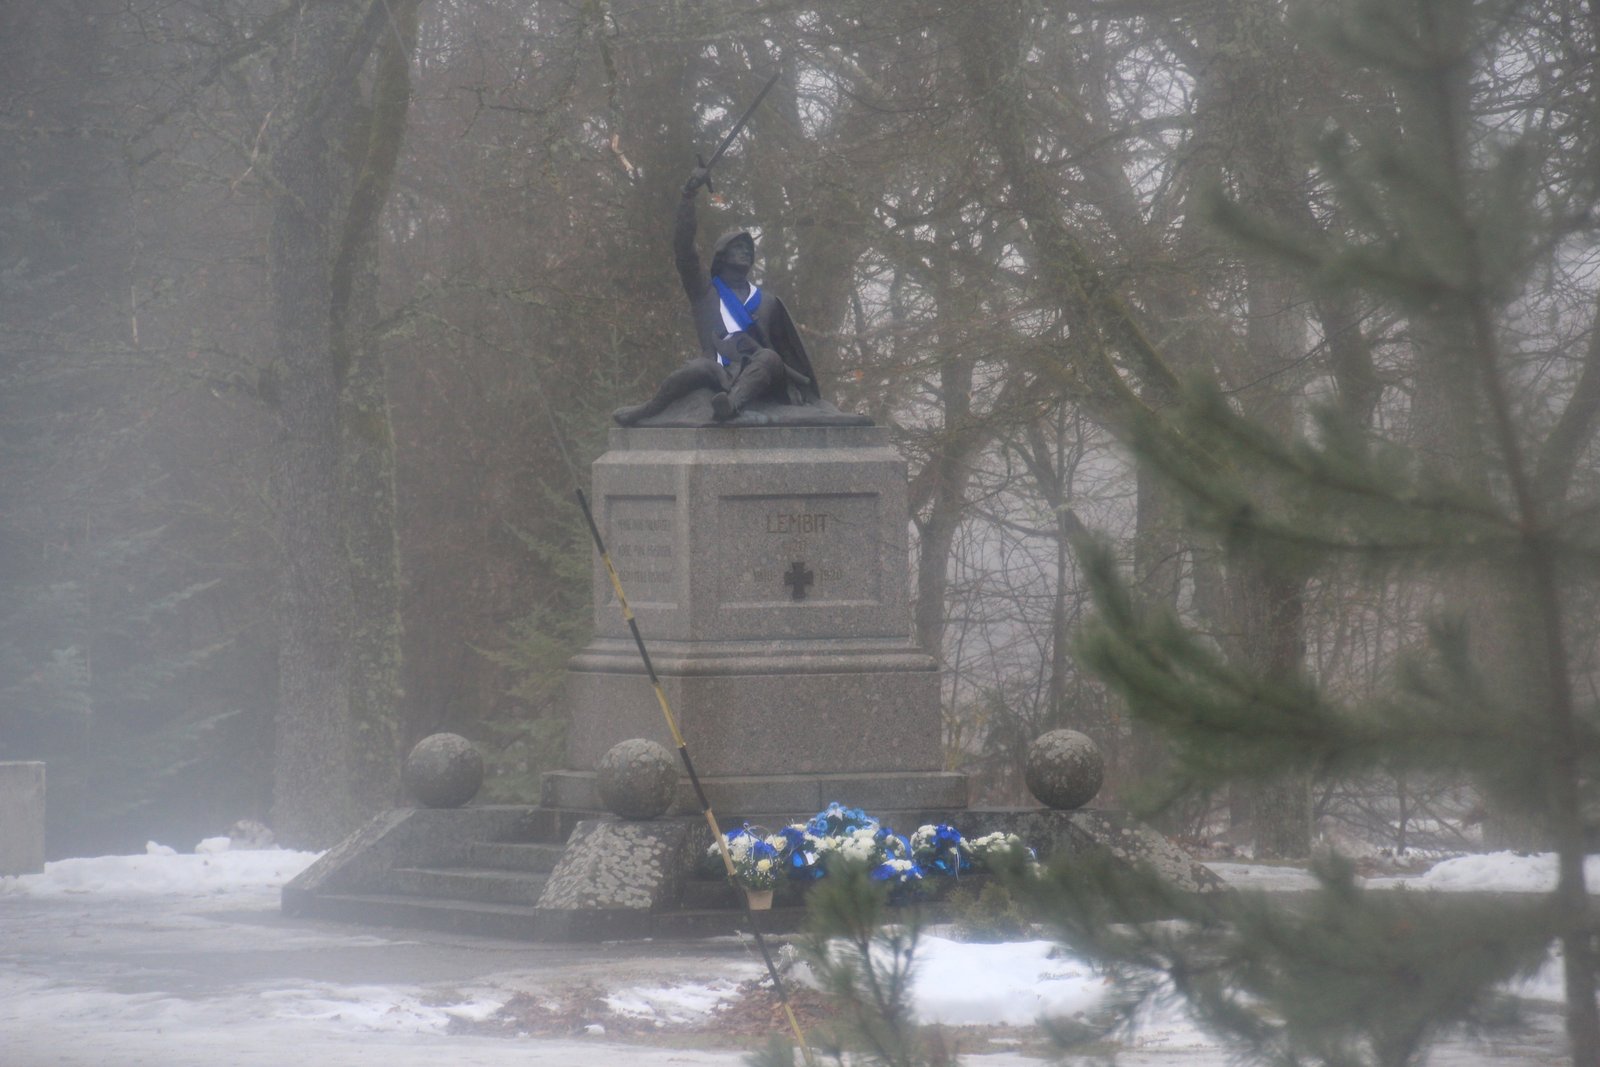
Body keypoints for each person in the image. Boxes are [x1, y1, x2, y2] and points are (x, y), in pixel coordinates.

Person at [612, 166, 822, 426]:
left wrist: (797, 388)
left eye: (749, 249)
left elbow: (787, 352)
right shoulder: (705, 292)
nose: (746, 251)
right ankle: (649, 409)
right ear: (722, 255)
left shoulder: (768, 302)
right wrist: (688, 196)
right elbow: (684, 250)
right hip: (718, 369)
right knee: (694, 368)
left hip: (762, 372)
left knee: (769, 357)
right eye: (738, 247)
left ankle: (730, 405)